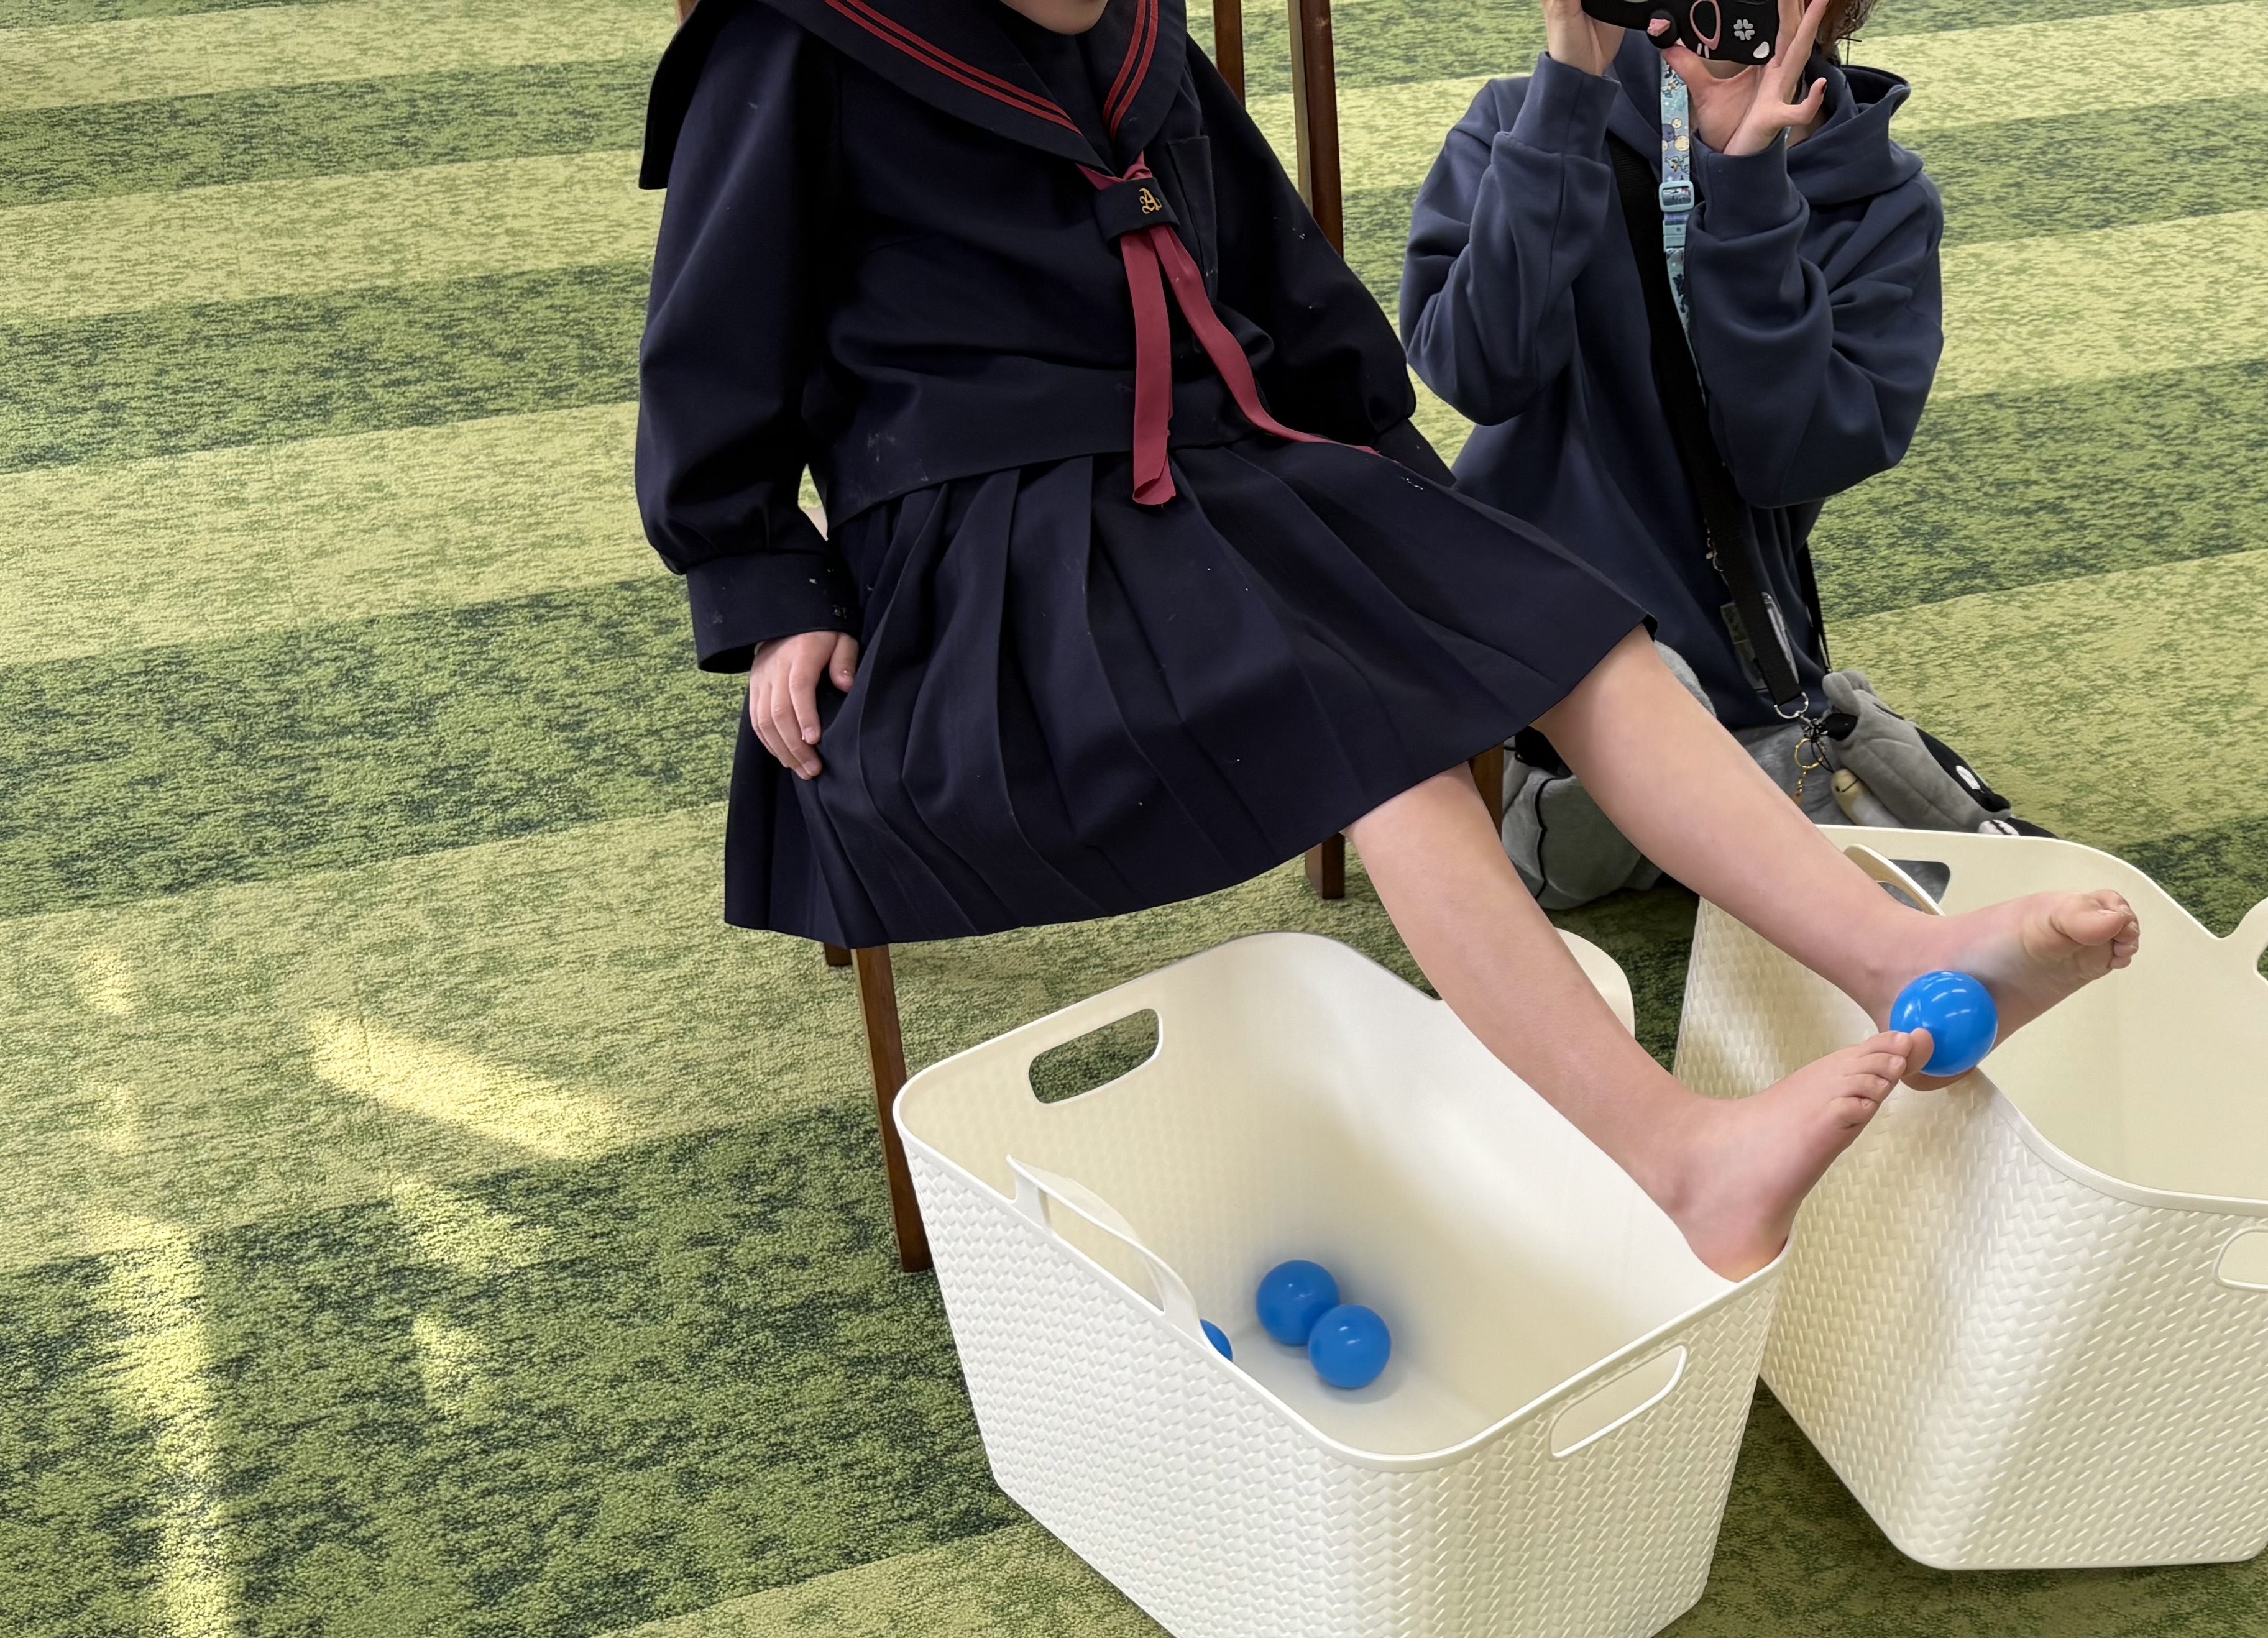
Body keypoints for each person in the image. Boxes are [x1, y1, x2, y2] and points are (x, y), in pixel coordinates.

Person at [634, 0, 2137, 1279]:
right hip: (999, 537)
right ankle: (1678, 1155)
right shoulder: (794, 44)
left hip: (1229, 459)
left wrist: (1397, 496)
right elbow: (713, 348)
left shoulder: (1136, 26)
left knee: (1574, 629)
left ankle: (1898, 953)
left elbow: (1272, 269)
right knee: (1379, 731)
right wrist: (767, 584)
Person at [1405, 0, 2000, 895]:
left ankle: (1704, 787)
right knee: (1650, 711)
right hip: (1530, 617)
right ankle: (1643, 789)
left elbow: (1785, 459)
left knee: (1718, 738)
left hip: (1728, 643)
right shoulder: (1525, 120)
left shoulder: (1880, 204)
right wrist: (1566, 103)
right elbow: (1476, 369)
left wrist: (1749, 185)